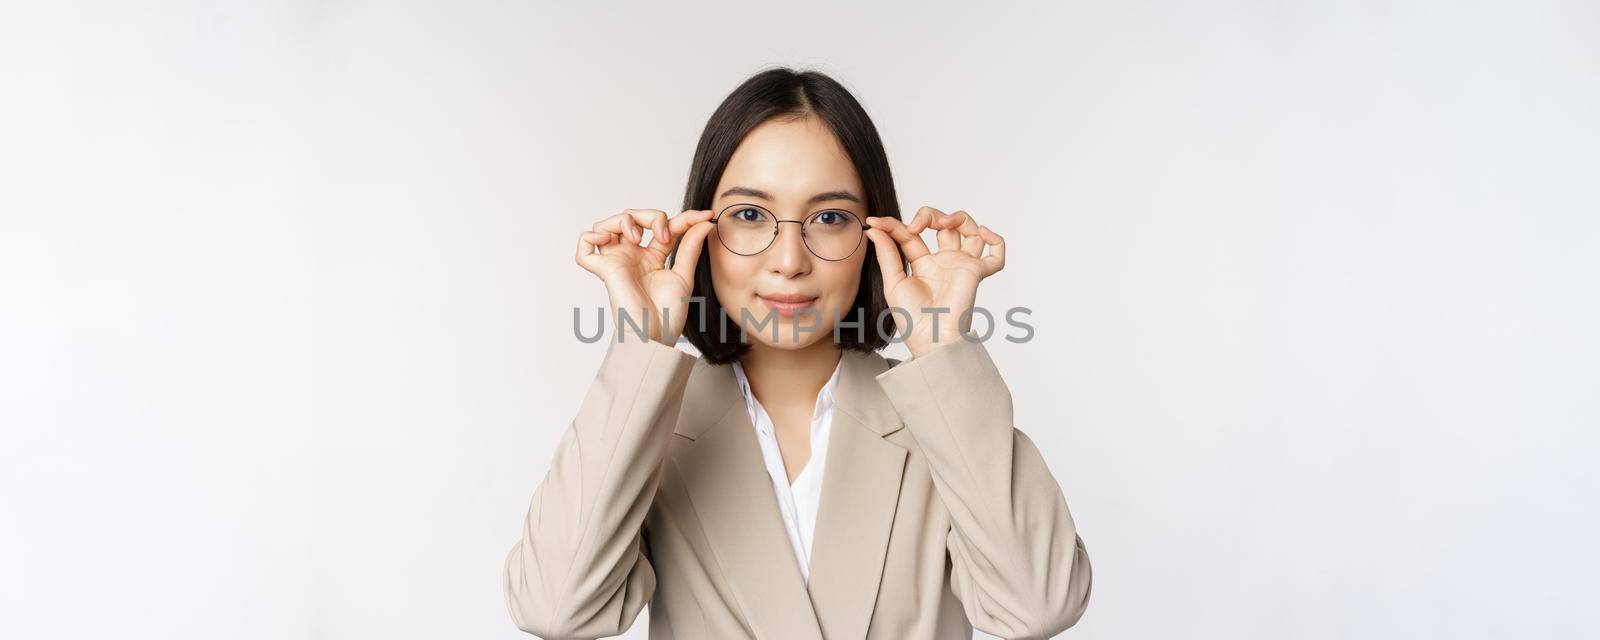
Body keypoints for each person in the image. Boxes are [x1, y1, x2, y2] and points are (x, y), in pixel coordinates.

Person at [503, 67, 1092, 639]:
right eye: (750, 215)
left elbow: (1038, 606)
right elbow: (556, 610)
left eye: (831, 217)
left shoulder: (942, 424)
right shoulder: (649, 427)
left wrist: (941, 342)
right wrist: (642, 344)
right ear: (700, 232)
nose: (789, 259)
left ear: (875, 236)